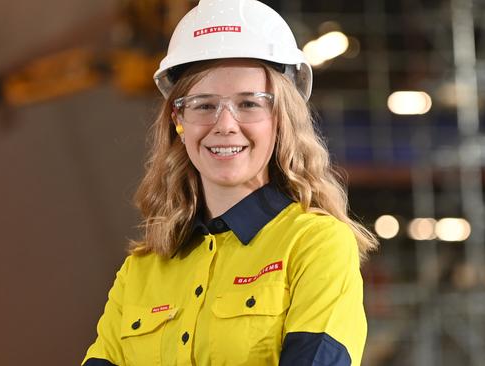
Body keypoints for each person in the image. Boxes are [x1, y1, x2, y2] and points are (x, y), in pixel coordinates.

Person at [81, 0, 377, 365]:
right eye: (204, 105)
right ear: (178, 120)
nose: (224, 125)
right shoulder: (140, 271)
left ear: (280, 118)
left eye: (249, 104)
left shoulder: (315, 245)